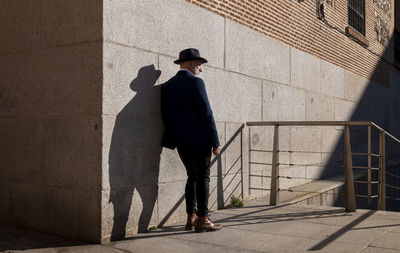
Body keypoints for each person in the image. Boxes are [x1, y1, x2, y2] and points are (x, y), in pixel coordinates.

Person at [161, 48, 222, 232]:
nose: (200, 70)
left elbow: (166, 116)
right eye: (199, 65)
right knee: (203, 176)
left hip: (180, 141)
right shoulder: (196, 83)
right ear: (190, 64)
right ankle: (203, 219)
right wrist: (215, 141)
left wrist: (177, 136)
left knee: (192, 176)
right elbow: (206, 114)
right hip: (200, 140)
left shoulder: (167, 86)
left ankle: (191, 216)